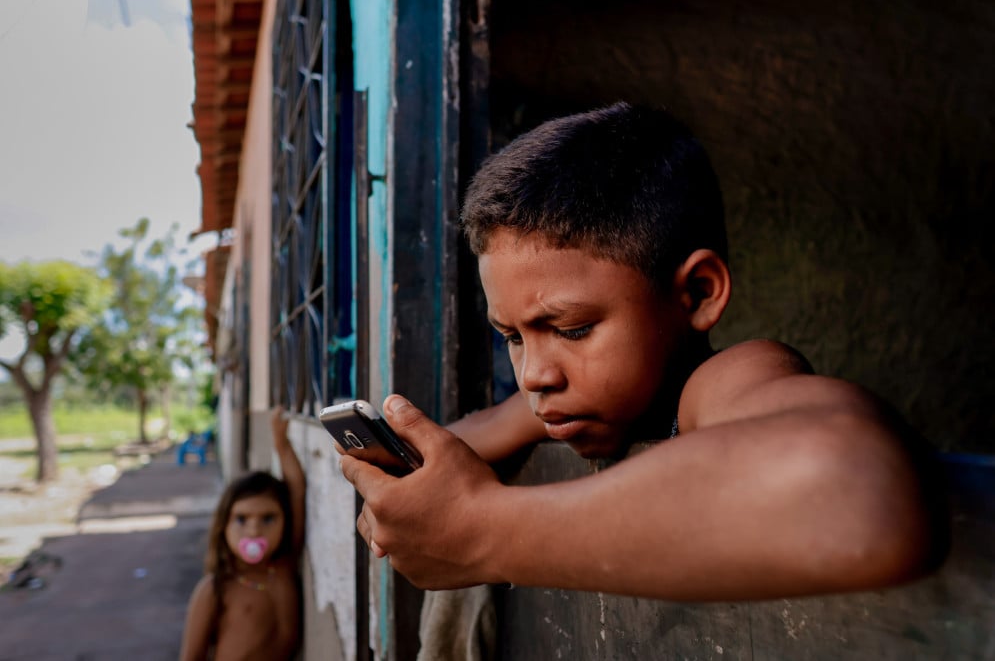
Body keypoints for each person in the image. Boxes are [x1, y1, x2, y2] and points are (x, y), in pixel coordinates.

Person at [341, 102, 947, 601]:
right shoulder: (565, 397)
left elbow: (852, 486)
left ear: (698, 293)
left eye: (573, 329)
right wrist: (405, 490)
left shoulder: (726, 380)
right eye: (513, 338)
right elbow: (461, 446)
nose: (534, 374)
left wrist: (482, 530)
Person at [179, 408, 305, 660]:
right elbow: (191, 656)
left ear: (285, 521)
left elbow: (297, 490)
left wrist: (282, 443)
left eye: (268, 518)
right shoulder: (215, 589)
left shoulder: (284, 565)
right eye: (241, 519)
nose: (254, 530)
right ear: (223, 526)